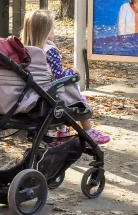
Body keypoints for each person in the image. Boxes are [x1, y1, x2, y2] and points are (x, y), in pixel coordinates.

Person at [21, 9, 111, 145]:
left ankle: (63, 131)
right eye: (53, 29)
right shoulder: (50, 51)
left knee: (59, 98)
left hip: (32, 95)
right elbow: (58, 76)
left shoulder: (24, 49)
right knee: (78, 99)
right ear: (46, 32)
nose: (54, 32)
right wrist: (73, 72)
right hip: (50, 95)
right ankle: (89, 131)